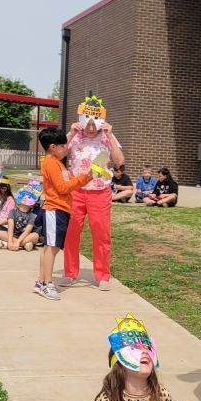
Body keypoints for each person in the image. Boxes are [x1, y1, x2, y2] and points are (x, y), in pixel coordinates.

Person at [62, 93, 125, 291]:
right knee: (71, 233)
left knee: (101, 234)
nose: (90, 127)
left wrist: (109, 136)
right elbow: (59, 153)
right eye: (86, 123)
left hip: (100, 192)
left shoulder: (107, 137)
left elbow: (119, 161)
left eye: (94, 123)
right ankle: (70, 272)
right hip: (76, 191)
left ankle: (102, 274)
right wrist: (70, 133)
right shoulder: (74, 136)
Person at [35, 127, 92, 300]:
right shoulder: (51, 163)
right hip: (55, 209)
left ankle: (41, 281)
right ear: (53, 147)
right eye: (63, 146)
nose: (66, 148)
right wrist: (84, 178)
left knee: (49, 247)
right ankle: (46, 284)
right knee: (52, 248)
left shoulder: (56, 163)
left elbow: (64, 184)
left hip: (59, 210)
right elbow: (62, 187)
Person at [0, 186, 43, 251]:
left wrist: (18, 242)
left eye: (29, 197)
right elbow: (10, 227)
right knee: (0, 233)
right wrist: (10, 240)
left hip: (26, 236)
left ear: (32, 204)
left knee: (35, 236)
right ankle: (24, 245)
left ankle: (7, 244)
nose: (25, 198)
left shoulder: (32, 216)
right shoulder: (13, 211)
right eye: (23, 196)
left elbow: (27, 231)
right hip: (13, 235)